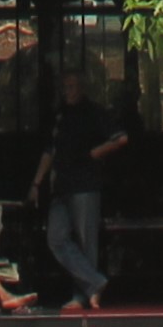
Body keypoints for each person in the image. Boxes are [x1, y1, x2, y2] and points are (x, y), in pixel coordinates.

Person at [37, 79, 130, 313]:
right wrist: (37, 182)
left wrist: (96, 152)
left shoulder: (94, 112)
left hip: (85, 185)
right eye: (65, 87)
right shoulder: (60, 116)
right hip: (62, 186)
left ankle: (83, 295)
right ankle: (95, 282)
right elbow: (50, 151)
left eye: (71, 86)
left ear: (81, 87)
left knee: (85, 241)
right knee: (56, 237)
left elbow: (120, 138)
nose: (67, 90)